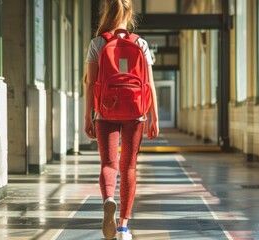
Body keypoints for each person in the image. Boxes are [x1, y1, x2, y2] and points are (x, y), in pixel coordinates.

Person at [83, 0, 159, 239]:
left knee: (108, 164)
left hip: (105, 112)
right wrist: (152, 115)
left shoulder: (97, 43)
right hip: (136, 112)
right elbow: (149, 83)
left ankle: (109, 199)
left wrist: (88, 117)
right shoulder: (141, 44)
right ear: (130, 13)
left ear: (108, 11)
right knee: (129, 166)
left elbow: (89, 83)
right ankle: (124, 227)